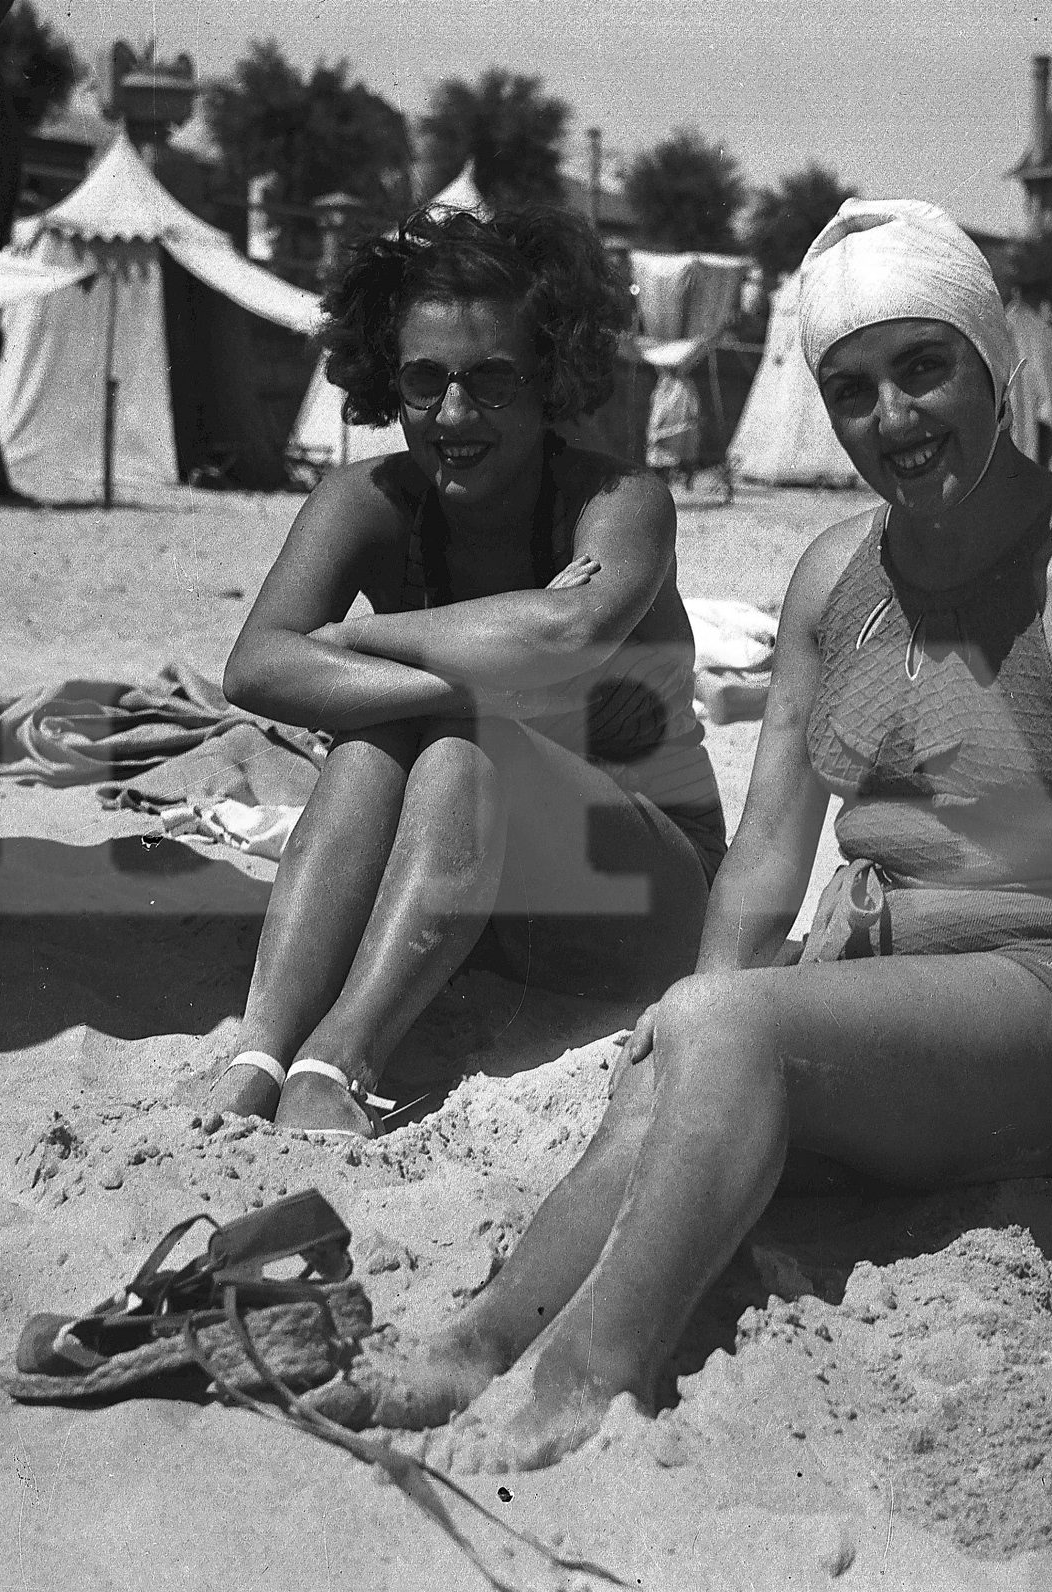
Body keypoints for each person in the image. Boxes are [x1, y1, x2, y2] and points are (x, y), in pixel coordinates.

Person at [363, 198, 1052, 1472]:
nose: (894, 418)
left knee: (725, 1022)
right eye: (852, 389)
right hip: (884, 1001)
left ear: (994, 360)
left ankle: (587, 1379)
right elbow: (766, 860)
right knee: (684, 1040)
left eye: (924, 369)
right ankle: (477, 1344)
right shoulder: (835, 578)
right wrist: (670, 1044)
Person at [205, 206, 727, 1137]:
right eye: (424, 380)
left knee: (458, 749)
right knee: (377, 748)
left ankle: (342, 1056)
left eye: (491, 382)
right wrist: (491, 676)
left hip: (642, 890)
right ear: (385, 381)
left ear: (548, 380)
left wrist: (362, 640)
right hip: (472, 902)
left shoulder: (618, 503)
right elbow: (257, 667)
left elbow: (570, 627)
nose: (454, 414)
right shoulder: (364, 502)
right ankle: (262, 1051)